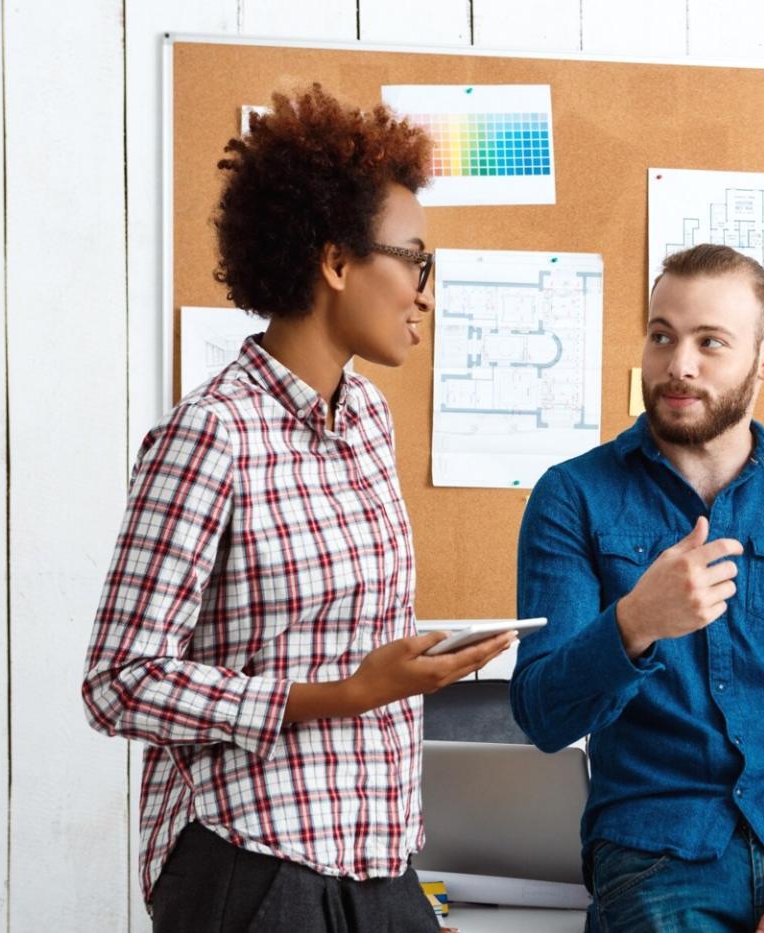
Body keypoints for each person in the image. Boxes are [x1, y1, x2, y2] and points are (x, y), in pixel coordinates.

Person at [81, 84, 515, 931]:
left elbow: (343, 635)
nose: (426, 291)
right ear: (337, 263)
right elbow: (119, 681)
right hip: (251, 860)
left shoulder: (369, 421)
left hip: (378, 857)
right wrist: (339, 694)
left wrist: (408, 665)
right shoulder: (211, 434)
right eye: (416, 260)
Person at [510, 244, 764, 933]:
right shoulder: (572, 496)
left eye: (709, 342)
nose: (677, 364)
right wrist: (633, 623)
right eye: (662, 335)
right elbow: (543, 715)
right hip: (656, 852)